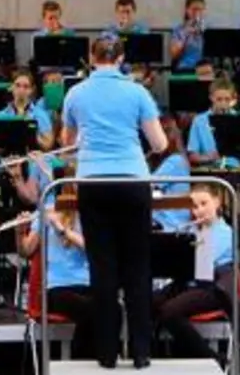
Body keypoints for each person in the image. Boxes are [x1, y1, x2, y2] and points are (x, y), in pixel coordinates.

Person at [61, 36, 170, 369]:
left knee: (102, 270)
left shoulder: (75, 93)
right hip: (133, 181)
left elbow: (68, 145)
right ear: (121, 58)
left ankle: (106, 354)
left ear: (90, 58)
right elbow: (160, 143)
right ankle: (141, 352)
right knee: (137, 267)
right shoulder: (137, 92)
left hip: (93, 183)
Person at [154, 184, 240, 364]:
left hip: (214, 288)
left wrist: (195, 237)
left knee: (169, 312)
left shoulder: (225, 232)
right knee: (145, 303)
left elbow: (203, 263)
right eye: (195, 207)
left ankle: (212, 359)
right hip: (189, 284)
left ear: (217, 202)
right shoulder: (192, 231)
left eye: (204, 204)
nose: (199, 211)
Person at [19, 203, 94, 358]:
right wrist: (20, 231)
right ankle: (81, 364)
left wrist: (62, 229)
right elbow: (26, 250)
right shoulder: (47, 210)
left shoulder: (90, 213)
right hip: (56, 287)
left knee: (113, 309)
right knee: (91, 309)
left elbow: (93, 249)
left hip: (87, 284)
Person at [0, 70, 56, 151]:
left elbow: (48, 145)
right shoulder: (0, 116)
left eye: (26, 86)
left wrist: (30, 131)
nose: (21, 90)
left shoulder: (40, 114)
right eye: (17, 85)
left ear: (32, 90)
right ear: (11, 87)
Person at [150, 118, 192, 233]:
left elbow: (148, 184)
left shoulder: (175, 161)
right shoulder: (173, 160)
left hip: (172, 225)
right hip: (165, 222)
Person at [186, 78, 240, 169]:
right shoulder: (199, 121)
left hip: (235, 169)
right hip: (210, 168)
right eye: (219, 99)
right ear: (211, 97)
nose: (223, 103)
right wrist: (208, 158)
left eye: (227, 99)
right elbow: (192, 156)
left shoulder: (238, 118)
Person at [169, 0, 208, 72]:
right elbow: (174, 54)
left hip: (205, 70)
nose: (197, 13)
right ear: (187, 10)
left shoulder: (208, 29)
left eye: (201, 9)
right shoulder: (179, 30)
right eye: (194, 9)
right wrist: (186, 34)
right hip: (185, 68)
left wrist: (203, 33)